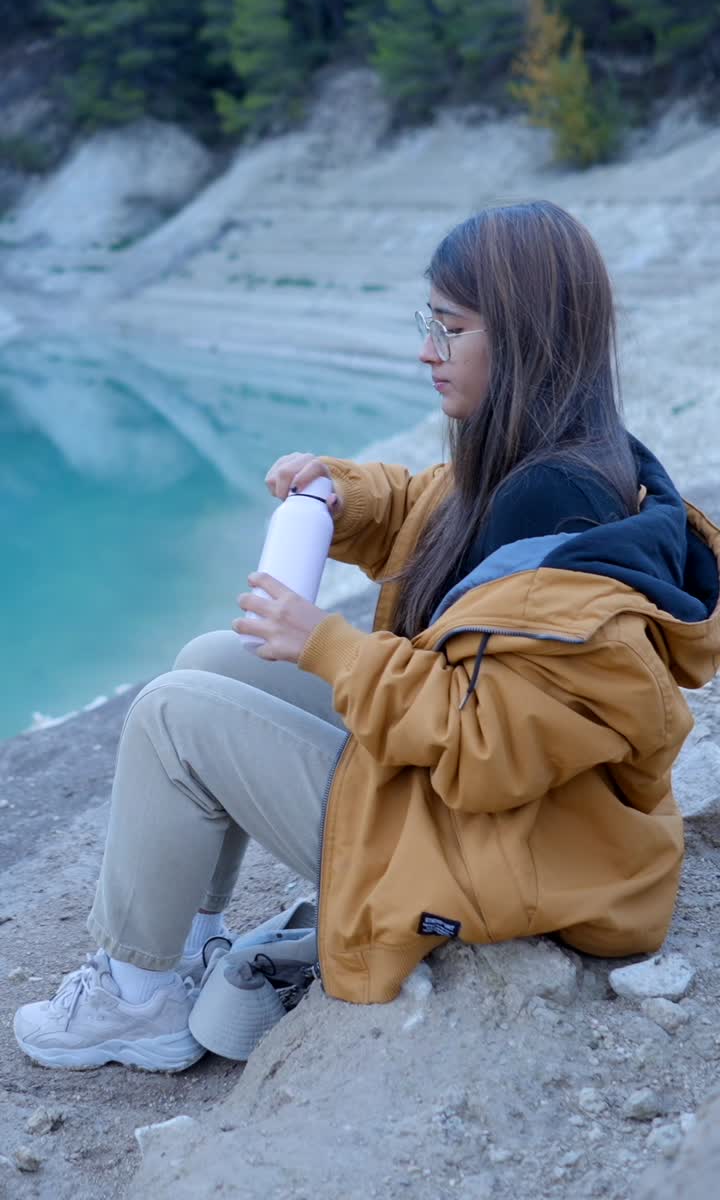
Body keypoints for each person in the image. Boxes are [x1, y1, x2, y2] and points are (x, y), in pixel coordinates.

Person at [14, 201, 719, 1072]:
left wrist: (330, 647)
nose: (428, 348)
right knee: (211, 661)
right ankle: (183, 946)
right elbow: (440, 513)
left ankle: (133, 1002)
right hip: (507, 818)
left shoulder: (557, 500)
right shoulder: (551, 456)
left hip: (519, 852)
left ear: (528, 337)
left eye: (451, 328)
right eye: (429, 322)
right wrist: (345, 495)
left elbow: (488, 746)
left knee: (172, 715)